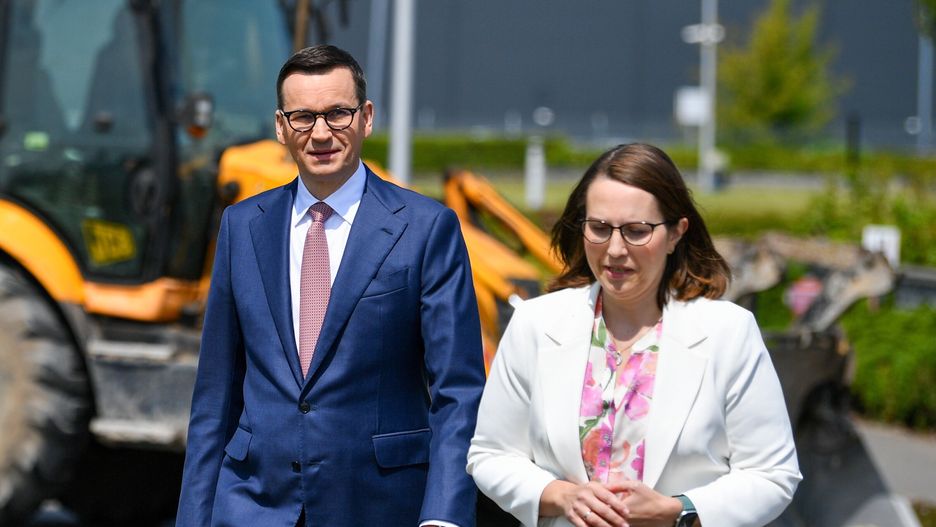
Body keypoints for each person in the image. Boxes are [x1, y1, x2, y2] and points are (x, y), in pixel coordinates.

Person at [177, 45, 486, 527]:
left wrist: (444, 516)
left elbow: (459, 392)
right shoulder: (241, 226)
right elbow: (215, 394)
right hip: (252, 506)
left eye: (337, 113)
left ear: (365, 118)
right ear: (281, 127)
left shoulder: (426, 228)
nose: (320, 133)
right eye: (303, 117)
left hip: (379, 507)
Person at [467, 143, 801, 527]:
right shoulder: (535, 324)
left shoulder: (728, 333)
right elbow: (490, 454)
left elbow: (773, 474)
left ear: (677, 233)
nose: (615, 249)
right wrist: (561, 496)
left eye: (637, 231)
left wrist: (679, 511)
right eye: (599, 228)